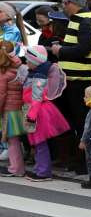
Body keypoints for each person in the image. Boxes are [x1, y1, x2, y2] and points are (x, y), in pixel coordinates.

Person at [51, 0, 91, 171]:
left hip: (80, 82)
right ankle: (76, 159)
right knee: (75, 121)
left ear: (73, 3)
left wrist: (60, 50)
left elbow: (83, 49)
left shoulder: (85, 20)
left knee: (82, 123)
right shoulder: (79, 18)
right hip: (73, 80)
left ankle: (84, 162)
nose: (63, 6)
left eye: (65, 3)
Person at [22, 46, 70, 180]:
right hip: (35, 110)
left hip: (38, 113)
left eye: (28, 61)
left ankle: (43, 172)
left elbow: (36, 98)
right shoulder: (34, 73)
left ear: (35, 62)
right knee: (37, 143)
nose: (27, 63)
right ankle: (40, 168)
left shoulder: (38, 77)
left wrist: (31, 115)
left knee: (39, 143)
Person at [0, 41, 25, 177]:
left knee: (11, 139)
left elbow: (1, 94)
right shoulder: (18, 66)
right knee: (15, 138)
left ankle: (16, 168)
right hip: (19, 107)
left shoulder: (3, 73)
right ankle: (17, 166)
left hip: (8, 109)